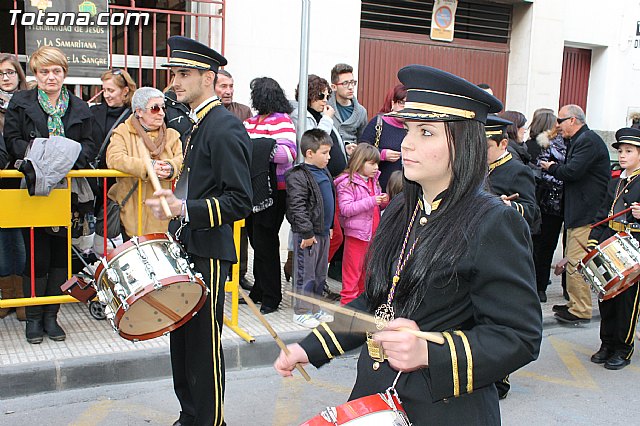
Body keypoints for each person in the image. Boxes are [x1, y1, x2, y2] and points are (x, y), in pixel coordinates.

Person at [274, 65, 542, 424]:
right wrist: (309, 348)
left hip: (444, 411)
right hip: (377, 399)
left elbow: (519, 336)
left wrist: (431, 352)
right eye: (409, 129)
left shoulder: (494, 220)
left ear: (463, 142)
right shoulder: (403, 206)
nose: (408, 143)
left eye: (427, 132)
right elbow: (376, 301)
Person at [145, 36, 252, 426]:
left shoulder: (223, 126)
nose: (176, 81)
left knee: (203, 347)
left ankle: (210, 421)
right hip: (190, 244)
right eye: (174, 73)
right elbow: (201, 181)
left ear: (209, 78)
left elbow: (240, 199)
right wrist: (174, 200)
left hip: (209, 250)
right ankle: (190, 415)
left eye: (184, 74)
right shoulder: (198, 124)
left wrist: (186, 208)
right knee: (183, 341)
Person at [4, 46, 96, 344]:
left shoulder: (80, 107)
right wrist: (43, 156)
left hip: (68, 191)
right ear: (35, 74)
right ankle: (33, 319)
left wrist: (64, 159)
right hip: (33, 188)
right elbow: (13, 141)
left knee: (60, 256)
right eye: (44, 71)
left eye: (56, 71)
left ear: (64, 73)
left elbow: (90, 148)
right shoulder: (21, 101)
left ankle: (51, 317)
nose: (50, 77)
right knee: (36, 255)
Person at [540, 104, 610, 325]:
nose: (557, 125)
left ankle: (580, 309)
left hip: (585, 213)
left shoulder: (587, 141)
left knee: (576, 263)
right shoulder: (581, 140)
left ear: (573, 120)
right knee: (573, 261)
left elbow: (572, 171)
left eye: (560, 120)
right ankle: (575, 304)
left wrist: (550, 167)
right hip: (579, 212)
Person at [586, 128, 640, 371]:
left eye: (629, 151)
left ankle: (623, 348)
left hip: (634, 248)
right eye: (620, 151)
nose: (623, 155)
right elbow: (603, 214)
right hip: (611, 241)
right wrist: (593, 241)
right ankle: (606, 344)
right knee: (606, 297)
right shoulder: (616, 179)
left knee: (626, 302)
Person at [243, 77, 297, 314]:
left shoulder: (282, 121)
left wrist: (257, 149)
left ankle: (272, 296)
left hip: (275, 191)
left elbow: (288, 153)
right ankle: (260, 289)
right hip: (253, 189)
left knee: (266, 241)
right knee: (256, 240)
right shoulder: (250, 121)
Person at [106, 87, 182, 238]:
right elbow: (114, 158)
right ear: (139, 111)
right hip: (131, 214)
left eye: (163, 107)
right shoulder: (122, 132)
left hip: (162, 218)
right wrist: (148, 168)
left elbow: (182, 160)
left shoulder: (172, 135)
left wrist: (170, 167)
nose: (161, 112)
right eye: (155, 108)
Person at [285, 128, 335, 329]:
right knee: (306, 273)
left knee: (320, 273)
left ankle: (315, 307)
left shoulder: (324, 171)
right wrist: (306, 232)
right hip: (308, 235)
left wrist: (329, 226)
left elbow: (328, 199)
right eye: (324, 153)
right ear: (309, 153)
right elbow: (297, 206)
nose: (329, 157)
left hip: (323, 232)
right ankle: (302, 311)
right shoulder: (298, 175)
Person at [334, 144, 387, 305]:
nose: (376, 167)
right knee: (352, 275)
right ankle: (347, 309)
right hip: (356, 236)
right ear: (359, 161)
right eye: (371, 163)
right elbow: (346, 208)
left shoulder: (373, 181)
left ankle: (361, 306)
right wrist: (372, 201)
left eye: (377, 163)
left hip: (372, 235)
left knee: (366, 274)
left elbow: (374, 208)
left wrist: (383, 201)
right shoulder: (347, 183)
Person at [215, 69, 252, 290]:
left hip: (238, 177)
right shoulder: (208, 112)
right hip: (215, 181)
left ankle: (239, 273)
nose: (228, 91)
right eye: (223, 86)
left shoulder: (243, 111)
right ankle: (221, 270)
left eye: (231, 86)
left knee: (241, 230)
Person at [526, 109, 567, 302]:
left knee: (540, 245)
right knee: (542, 245)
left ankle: (536, 285)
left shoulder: (530, 146)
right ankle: (538, 286)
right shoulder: (550, 145)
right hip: (547, 202)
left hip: (547, 204)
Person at [0, 53, 28, 321]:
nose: (5, 78)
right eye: (1, 74)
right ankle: (7, 296)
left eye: (10, 72)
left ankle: (22, 297)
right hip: (2, 181)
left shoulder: (28, 102)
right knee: (3, 240)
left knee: (21, 240)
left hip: (23, 181)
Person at [486, 115, 540, 231]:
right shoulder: (480, 167)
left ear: (504, 144)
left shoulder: (519, 171)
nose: (481, 151)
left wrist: (510, 206)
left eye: (487, 147)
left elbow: (532, 211)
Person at [360, 84, 407, 191]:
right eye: (401, 103)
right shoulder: (379, 122)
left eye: (408, 104)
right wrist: (382, 154)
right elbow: (362, 148)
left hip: (404, 187)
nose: (404, 108)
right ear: (393, 103)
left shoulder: (414, 127)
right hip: (378, 187)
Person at [90, 69, 136, 169]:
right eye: (104, 90)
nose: (106, 95)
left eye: (111, 90)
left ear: (125, 91)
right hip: (95, 176)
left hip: (121, 176)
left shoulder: (135, 116)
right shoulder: (93, 112)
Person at [327, 63, 368, 144]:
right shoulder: (325, 106)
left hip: (352, 155)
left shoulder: (361, 112)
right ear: (334, 87)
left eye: (352, 82)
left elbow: (362, 141)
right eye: (345, 83)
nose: (351, 87)